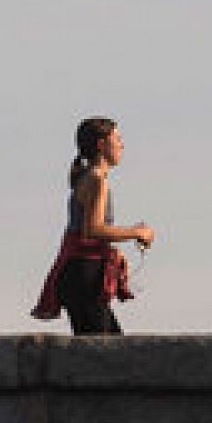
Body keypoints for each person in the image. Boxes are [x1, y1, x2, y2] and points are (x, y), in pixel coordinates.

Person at [31, 117, 155, 334]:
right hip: (83, 276)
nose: (122, 144)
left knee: (107, 349)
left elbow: (85, 231)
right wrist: (137, 232)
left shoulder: (89, 178)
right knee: (104, 355)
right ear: (101, 144)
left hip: (80, 274)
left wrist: (111, 249)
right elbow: (93, 229)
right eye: (117, 138)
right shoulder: (97, 180)